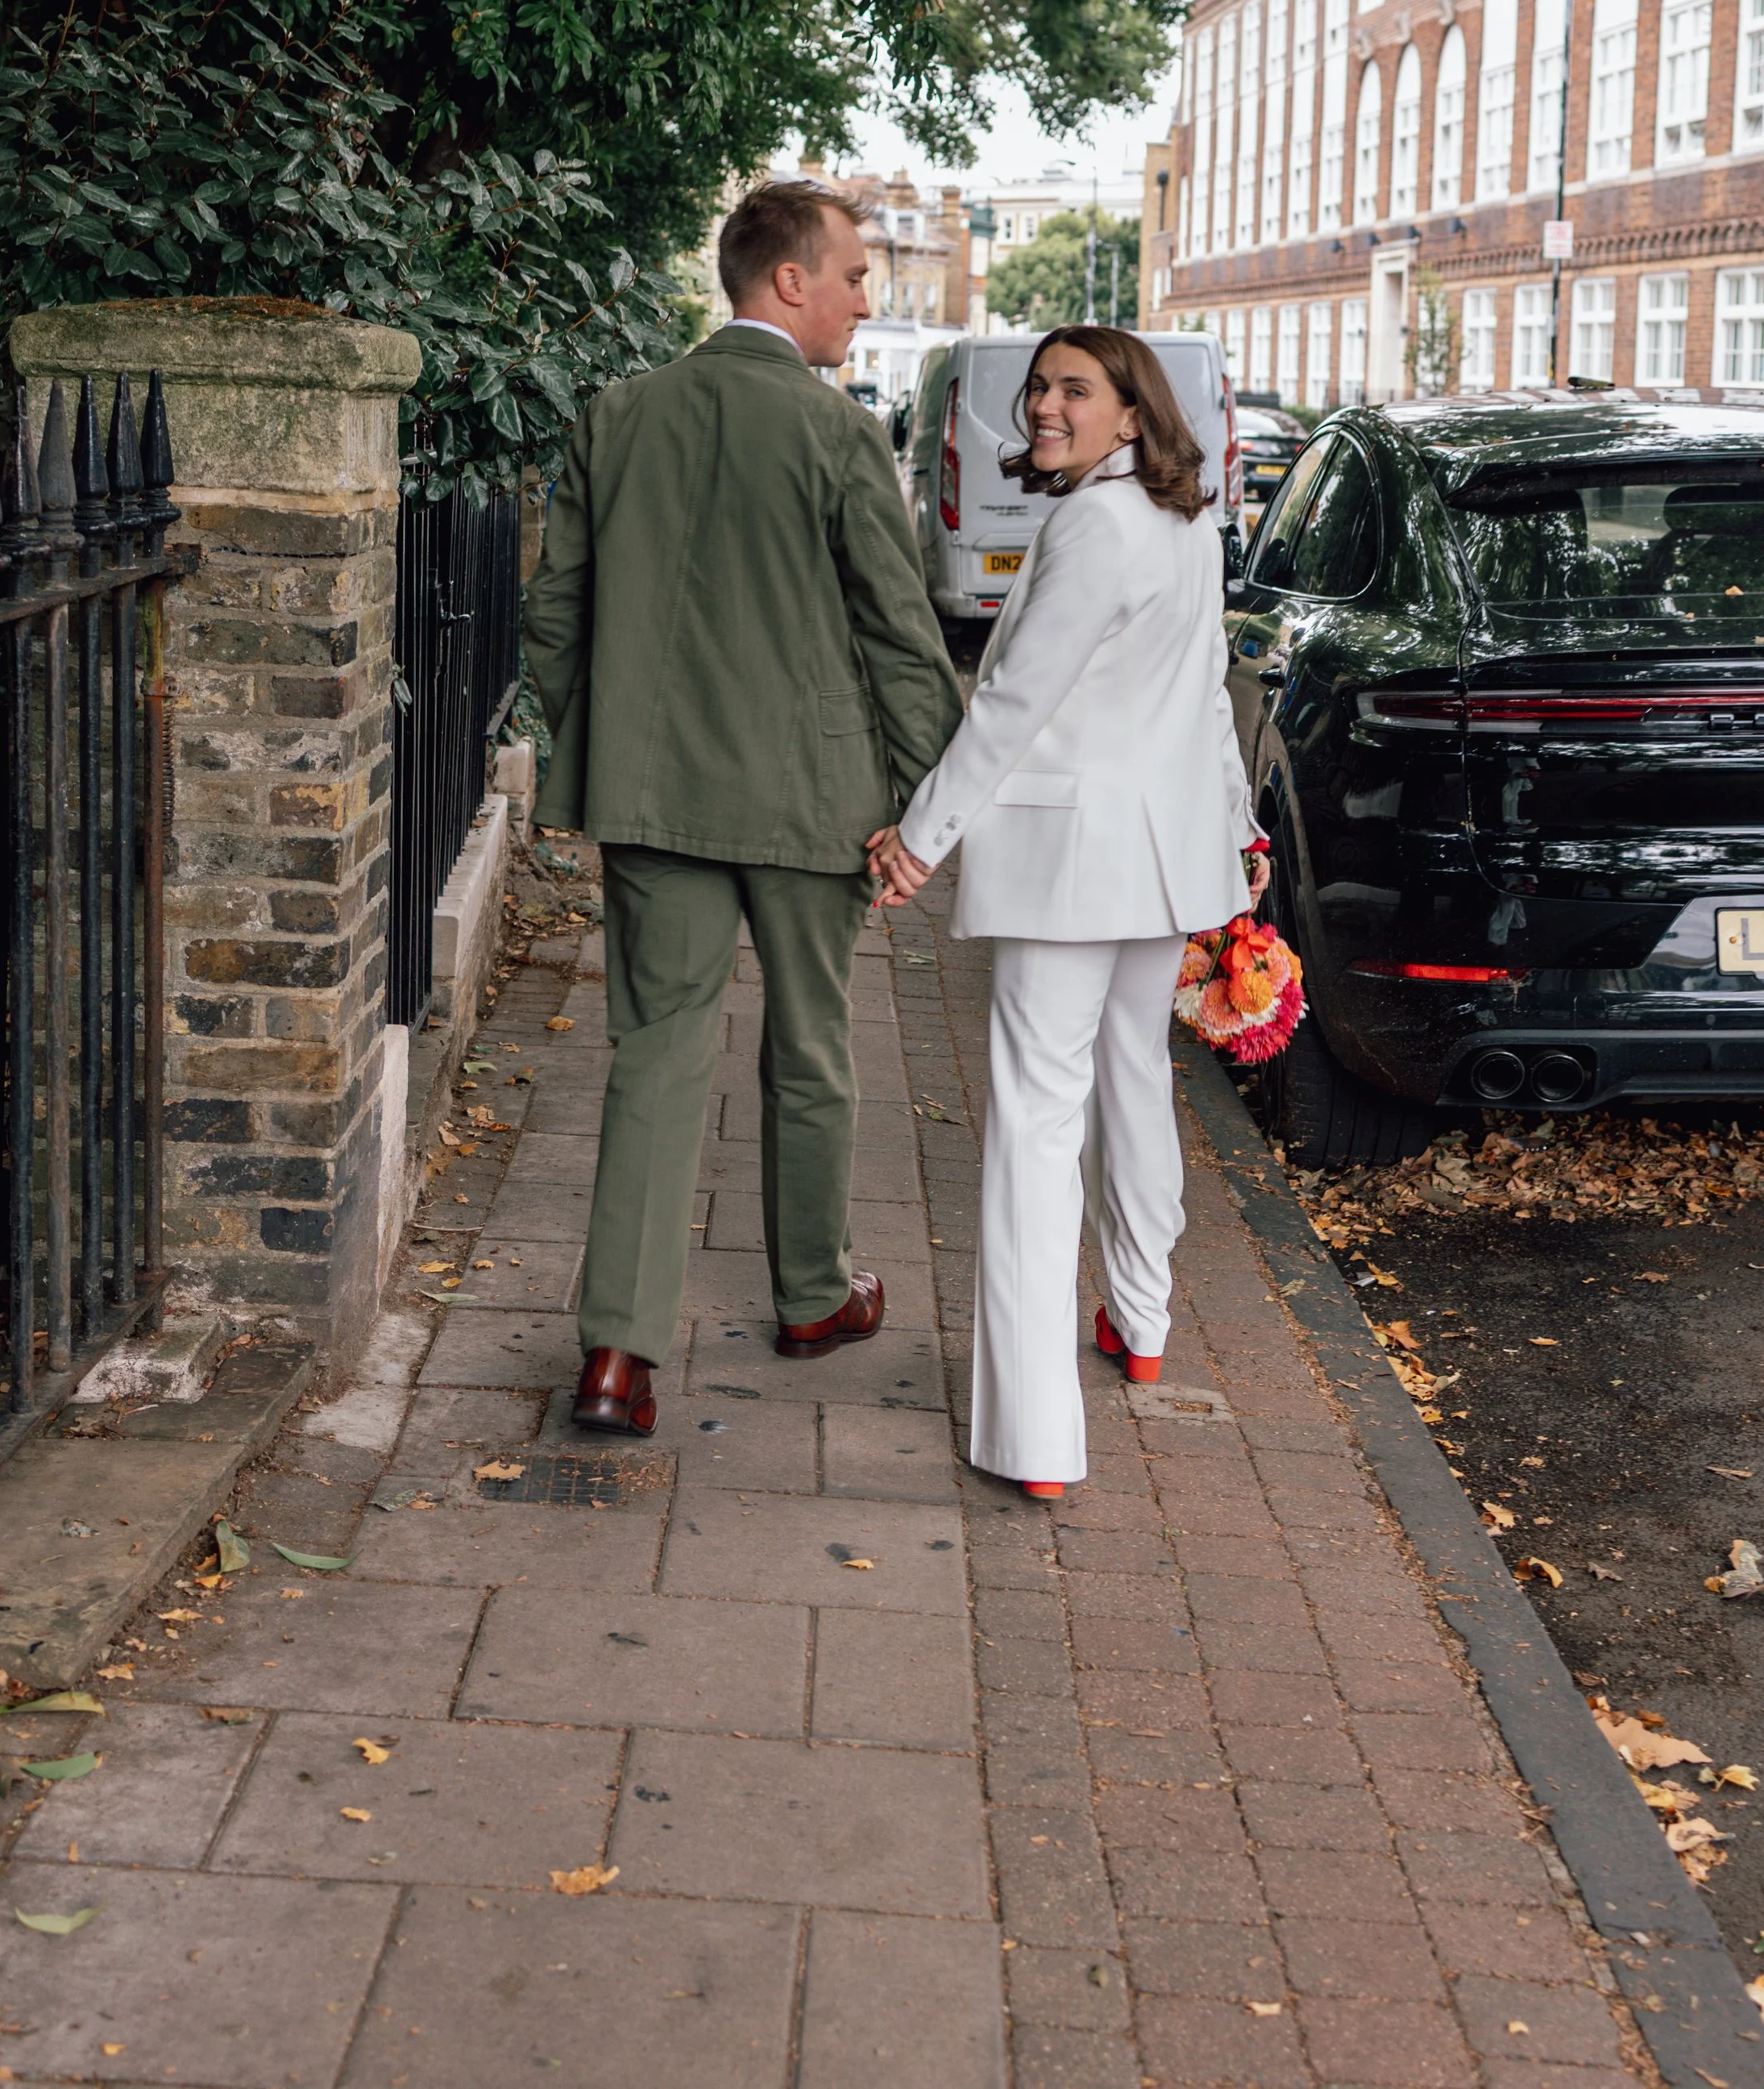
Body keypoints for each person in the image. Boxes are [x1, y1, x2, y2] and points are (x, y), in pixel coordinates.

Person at [524, 179, 964, 1437]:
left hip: (655, 789)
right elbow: (898, 634)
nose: (864, 300)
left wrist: (588, 742)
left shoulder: (621, 414)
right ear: (789, 280)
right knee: (813, 1049)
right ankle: (814, 1296)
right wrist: (926, 806)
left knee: (656, 1056)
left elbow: (556, 613)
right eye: (856, 276)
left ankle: (618, 1355)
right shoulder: (834, 436)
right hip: (813, 799)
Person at [868, 326, 1268, 1497]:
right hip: (1161, 854)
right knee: (1134, 1076)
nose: (1044, 404)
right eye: (1040, 386)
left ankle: (1035, 1437)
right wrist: (1237, 828)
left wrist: (920, 838)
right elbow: (1203, 695)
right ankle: (1141, 1319)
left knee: (1040, 1121)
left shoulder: (1094, 523)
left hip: (1071, 860)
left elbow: (1012, 707)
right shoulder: (1189, 518)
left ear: (1133, 411)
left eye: (1073, 388)